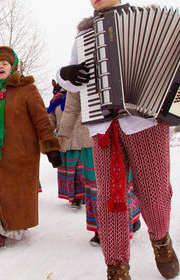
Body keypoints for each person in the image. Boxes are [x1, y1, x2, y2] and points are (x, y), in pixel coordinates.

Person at [56, 0, 179, 279]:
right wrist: (68, 73)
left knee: (153, 192)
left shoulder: (149, 23)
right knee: (109, 198)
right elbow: (67, 77)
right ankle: (116, 266)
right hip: (103, 128)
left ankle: (161, 240)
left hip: (145, 122)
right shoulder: (84, 36)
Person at [0, 46, 62, 247]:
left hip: (21, 152)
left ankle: (7, 229)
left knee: (14, 190)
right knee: (0, 189)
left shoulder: (27, 88)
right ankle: (3, 222)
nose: (1, 67)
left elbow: (42, 120)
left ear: (13, 66)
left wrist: (51, 147)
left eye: (5, 64)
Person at [57, 90, 141, 247]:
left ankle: (131, 219)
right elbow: (71, 108)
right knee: (96, 187)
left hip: (124, 132)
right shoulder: (78, 70)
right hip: (91, 137)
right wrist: (62, 138)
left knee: (123, 182)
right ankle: (100, 229)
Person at [47, 81, 85, 210]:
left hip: (79, 140)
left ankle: (79, 197)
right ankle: (72, 196)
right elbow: (50, 118)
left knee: (79, 171)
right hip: (63, 141)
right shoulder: (56, 101)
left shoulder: (79, 95)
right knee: (67, 170)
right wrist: (47, 133)